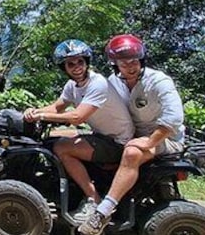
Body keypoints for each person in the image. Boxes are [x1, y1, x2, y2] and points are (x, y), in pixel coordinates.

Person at [78, 34, 185, 235]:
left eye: (134, 61)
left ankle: (102, 213)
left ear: (141, 60)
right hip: (131, 136)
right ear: (115, 64)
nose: (130, 66)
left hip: (166, 139)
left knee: (132, 153)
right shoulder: (113, 83)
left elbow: (174, 118)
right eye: (124, 62)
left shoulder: (158, 81)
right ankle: (91, 194)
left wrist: (150, 140)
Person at [23, 39, 135, 224]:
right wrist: (33, 112)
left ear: (87, 62)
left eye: (80, 62)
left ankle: (93, 199)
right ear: (64, 67)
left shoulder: (97, 83)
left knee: (62, 149)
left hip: (117, 142)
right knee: (52, 138)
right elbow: (57, 107)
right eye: (71, 64)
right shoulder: (72, 86)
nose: (76, 67)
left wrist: (41, 117)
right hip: (102, 136)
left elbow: (78, 117)